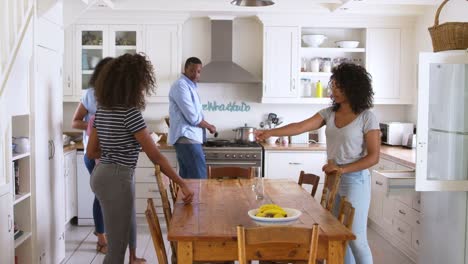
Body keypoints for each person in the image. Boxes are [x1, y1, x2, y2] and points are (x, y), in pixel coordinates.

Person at [255, 63, 380, 264]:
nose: (334, 91)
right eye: (334, 86)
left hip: (355, 181)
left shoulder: (367, 117)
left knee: (356, 239)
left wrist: (342, 169)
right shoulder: (329, 113)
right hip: (333, 179)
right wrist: (270, 132)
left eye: (340, 86)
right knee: (339, 238)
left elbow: (374, 157)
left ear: (353, 87)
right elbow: (301, 126)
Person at [86, 53, 194, 264]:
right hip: (118, 177)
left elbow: (91, 152)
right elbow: (156, 157)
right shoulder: (130, 113)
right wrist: (182, 183)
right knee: (116, 251)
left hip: (101, 175)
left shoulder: (102, 110)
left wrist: (113, 153)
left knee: (117, 243)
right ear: (133, 84)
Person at [71, 57, 113, 254]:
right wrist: (94, 123)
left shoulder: (119, 94)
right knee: (101, 194)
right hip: (93, 153)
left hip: (112, 153)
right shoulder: (91, 95)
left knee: (109, 195)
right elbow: (75, 122)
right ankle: (101, 238)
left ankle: (105, 233)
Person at [169, 57, 216, 179]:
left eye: (198, 71)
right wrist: (209, 126)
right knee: (200, 179)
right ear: (185, 69)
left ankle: (187, 199)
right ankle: (199, 199)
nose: (196, 75)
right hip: (187, 138)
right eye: (192, 71)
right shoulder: (181, 86)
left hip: (188, 138)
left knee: (187, 180)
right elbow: (193, 117)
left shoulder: (190, 87)